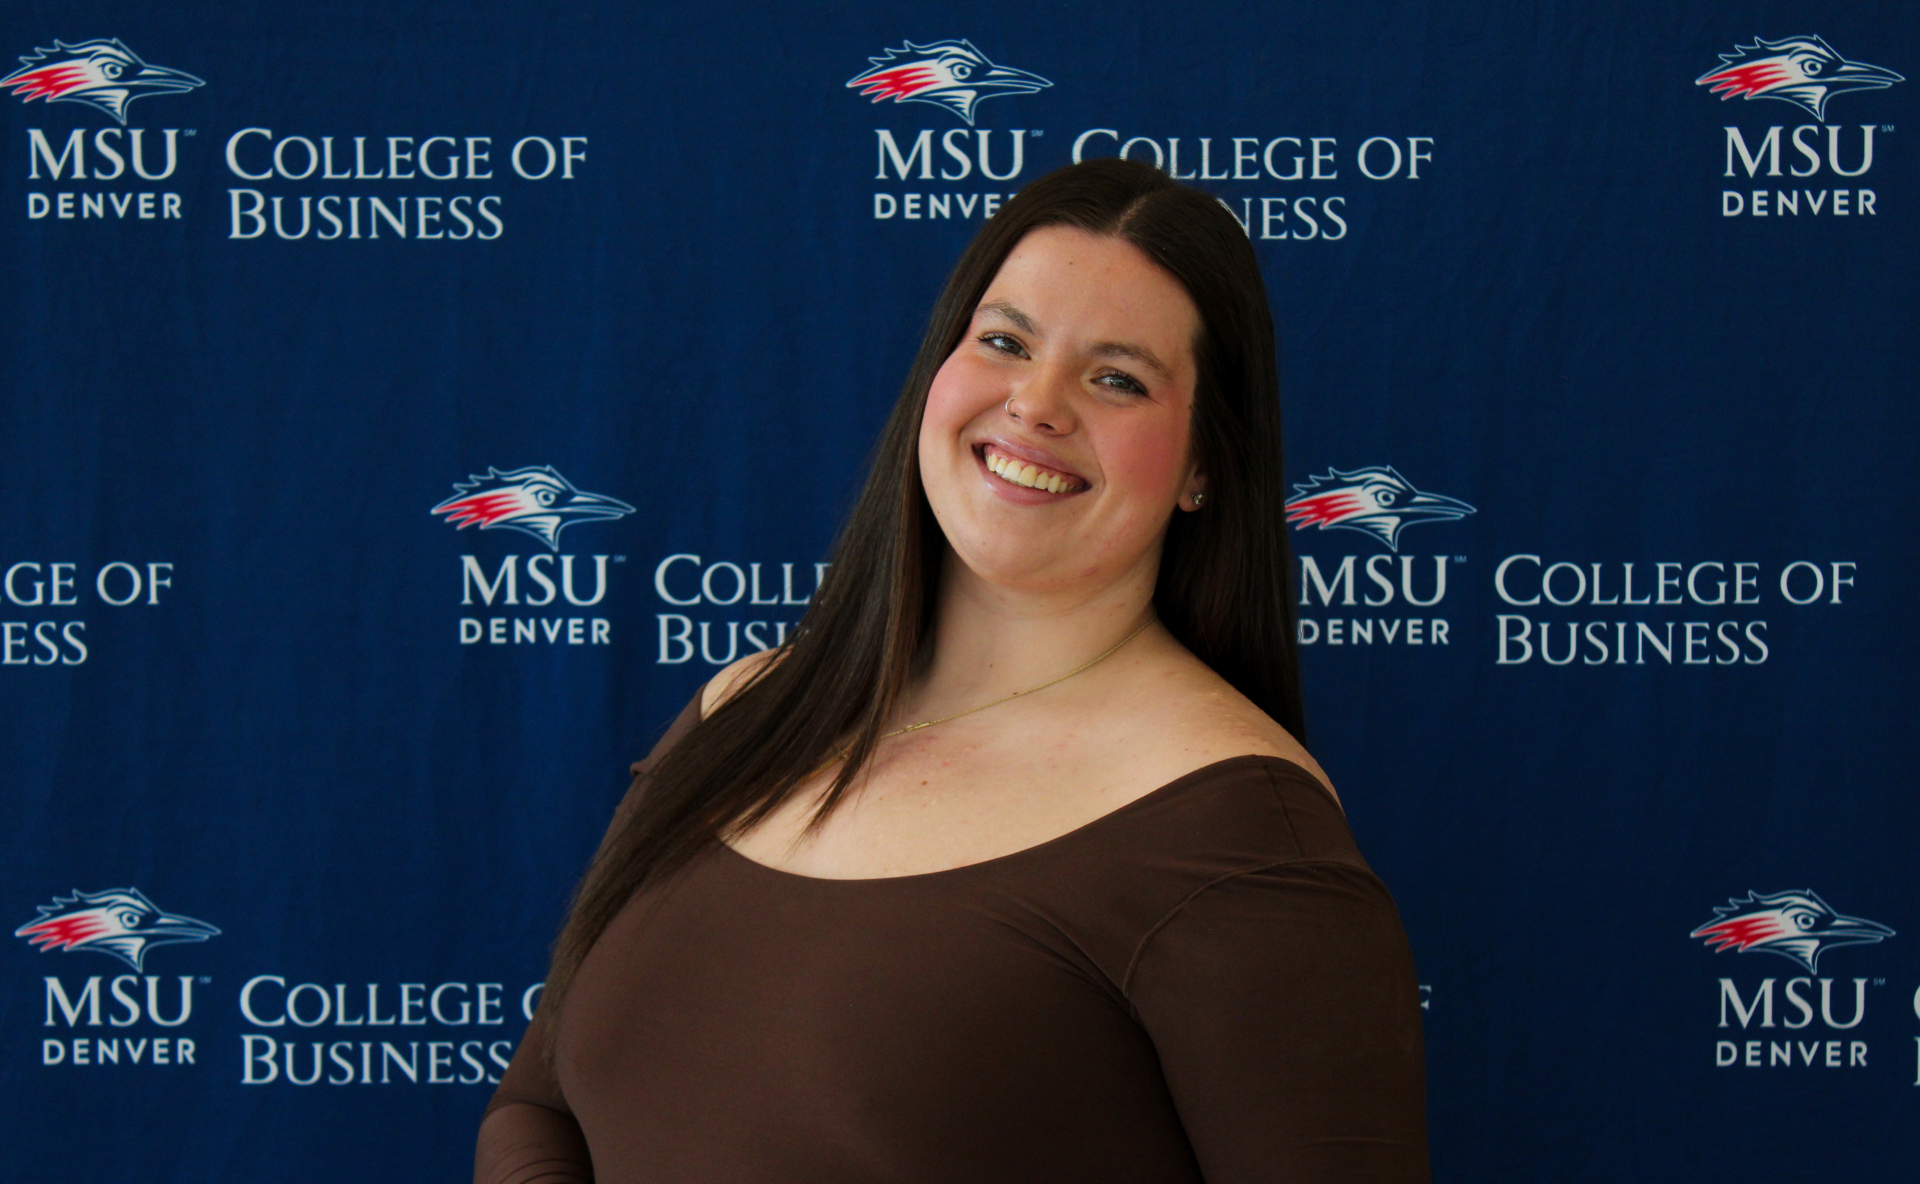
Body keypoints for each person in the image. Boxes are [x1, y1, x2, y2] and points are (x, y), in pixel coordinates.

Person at [475, 157, 1429, 1183]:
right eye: (1005, 341)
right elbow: (537, 1105)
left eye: (1118, 377)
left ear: (1204, 464)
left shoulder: (1240, 840)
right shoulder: (742, 709)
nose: (1037, 402)